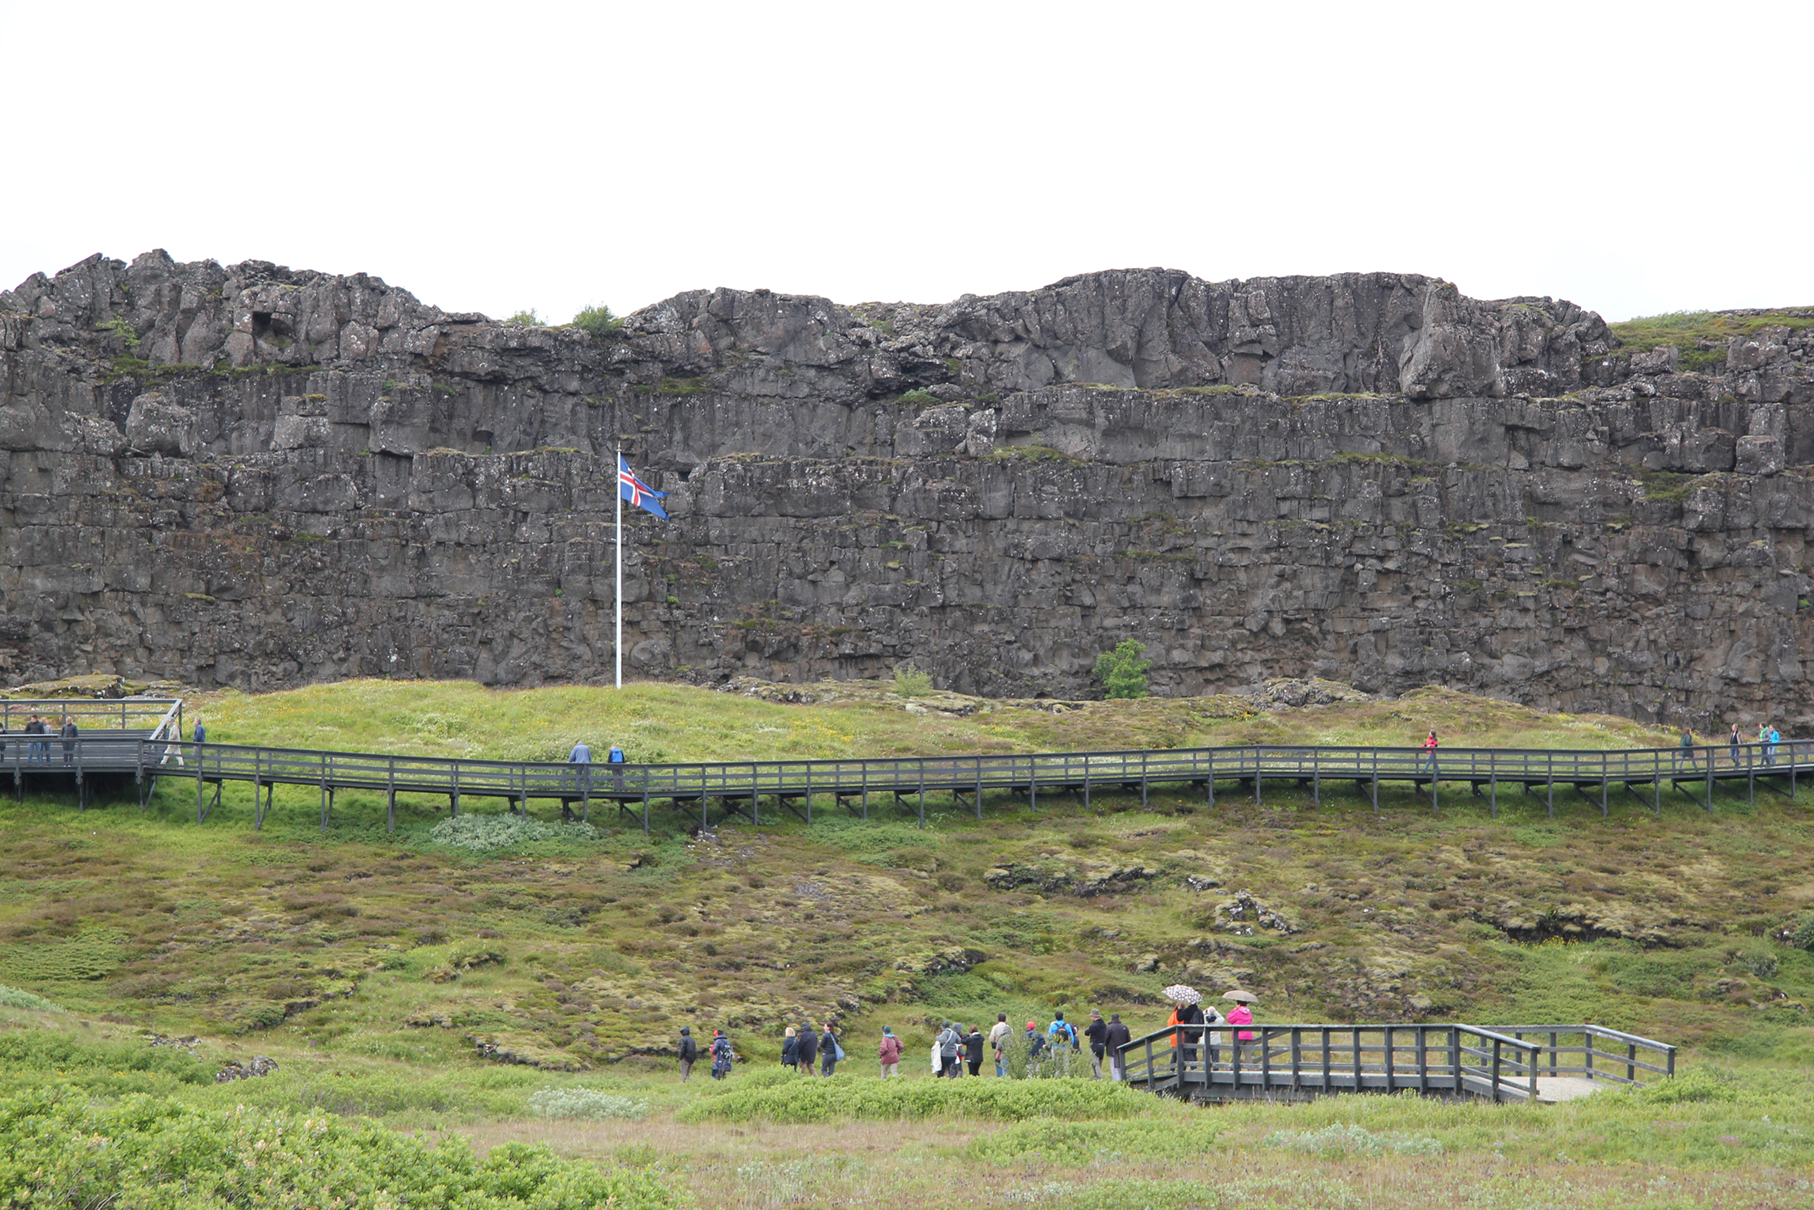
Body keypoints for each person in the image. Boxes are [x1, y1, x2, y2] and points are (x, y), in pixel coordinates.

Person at [565, 739, 592, 820]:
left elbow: (572, 757)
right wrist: (588, 762)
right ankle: (591, 788)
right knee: (587, 777)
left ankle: (578, 788)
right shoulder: (586, 748)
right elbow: (589, 757)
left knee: (578, 776)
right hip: (586, 763)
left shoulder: (576, 748)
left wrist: (569, 763)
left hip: (579, 763)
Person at [1103, 1012, 1131, 1081]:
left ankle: (1116, 1081)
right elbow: (1128, 1039)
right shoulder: (1124, 1027)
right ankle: (1122, 1079)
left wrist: (1104, 1045)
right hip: (1122, 1049)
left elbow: (1105, 1039)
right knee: (1121, 1065)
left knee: (1114, 1067)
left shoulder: (1109, 1027)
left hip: (1112, 1050)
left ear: (1111, 1018)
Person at [1083, 1009, 1108, 1079]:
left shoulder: (1093, 1026)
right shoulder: (1104, 1025)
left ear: (1094, 1017)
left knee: (1095, 1063)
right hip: (1102, 1045)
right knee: (1099, 1063)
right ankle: (1096, 1076)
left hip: (1095, 1045)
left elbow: (1086, 1032)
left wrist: (1088, 1029)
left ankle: (1099, 1078)